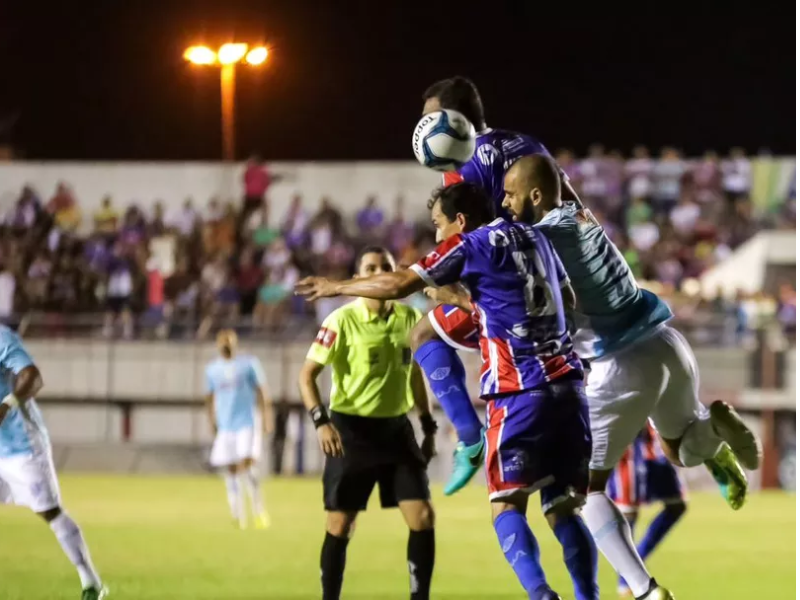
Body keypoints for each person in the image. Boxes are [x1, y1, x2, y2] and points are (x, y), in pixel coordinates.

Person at [297, 186, 598, 600]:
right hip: (569, 389)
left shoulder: (470, 244)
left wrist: (336, 286)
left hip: (519, 392)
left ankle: (540, 592)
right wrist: (483, 309)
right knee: (563, 507)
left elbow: (401, 283)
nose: (438, 235)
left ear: (460, 221)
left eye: (439, 225)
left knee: (507, 506)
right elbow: (568, 299)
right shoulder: (537, 237)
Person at [500, 153, 762, 600]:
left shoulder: (539, 241)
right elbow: (561, 188)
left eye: (510, 194)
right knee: (680, 450)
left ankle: (643, 589)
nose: (505, 203)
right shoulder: (579, 216)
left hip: (621, 363)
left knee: (586, 490)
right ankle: (715, 427)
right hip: (667, 343)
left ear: (536, 195)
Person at [410, 76, 583, 496]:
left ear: (451, 120)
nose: (422, 126)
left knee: (422, 335)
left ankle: (470, 439)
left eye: (429, 118)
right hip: (553, 283)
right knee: (560, 496)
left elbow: (469, 237)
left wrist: (449, 287)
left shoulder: (461, 164)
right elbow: (572, 206)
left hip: (511, 290)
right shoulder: (527, 144)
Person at [297, 246, 438, 600]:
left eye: (385, 267)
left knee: (423, 517)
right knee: (340, 525)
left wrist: (428, 425)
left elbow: (415, 375)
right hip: (351, 433)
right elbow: (306, 375)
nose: (378, 273)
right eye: (370, 268)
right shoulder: (341, 320)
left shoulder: (410, 318)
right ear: (358, 277)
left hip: (396, 432)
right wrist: (321, 422)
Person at [0, 326, 107, 600]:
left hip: (22, 444)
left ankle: (91, 581)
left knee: (49, 511)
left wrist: (6, 406)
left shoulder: (2, 338)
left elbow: (32, 377)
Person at [607, 423, 688, 598]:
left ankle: (636, 562)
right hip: (629, 440)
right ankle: (628, 579)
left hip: (656, 440)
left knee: (677, 506)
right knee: (628, 512)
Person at [204, 329, 273, 529]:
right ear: (218, 345)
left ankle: (258, 510)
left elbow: (262, 390)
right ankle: (237, 514)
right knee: (231, 469)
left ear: (235, 344)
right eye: (223, 342)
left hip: (247, 422)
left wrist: (266, 417)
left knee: (248, 464)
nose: (226, 345)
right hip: (226, 425)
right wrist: (212, 421)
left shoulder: (248, 364)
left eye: (229, 341)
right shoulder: (212, 369)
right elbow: (209, 397)